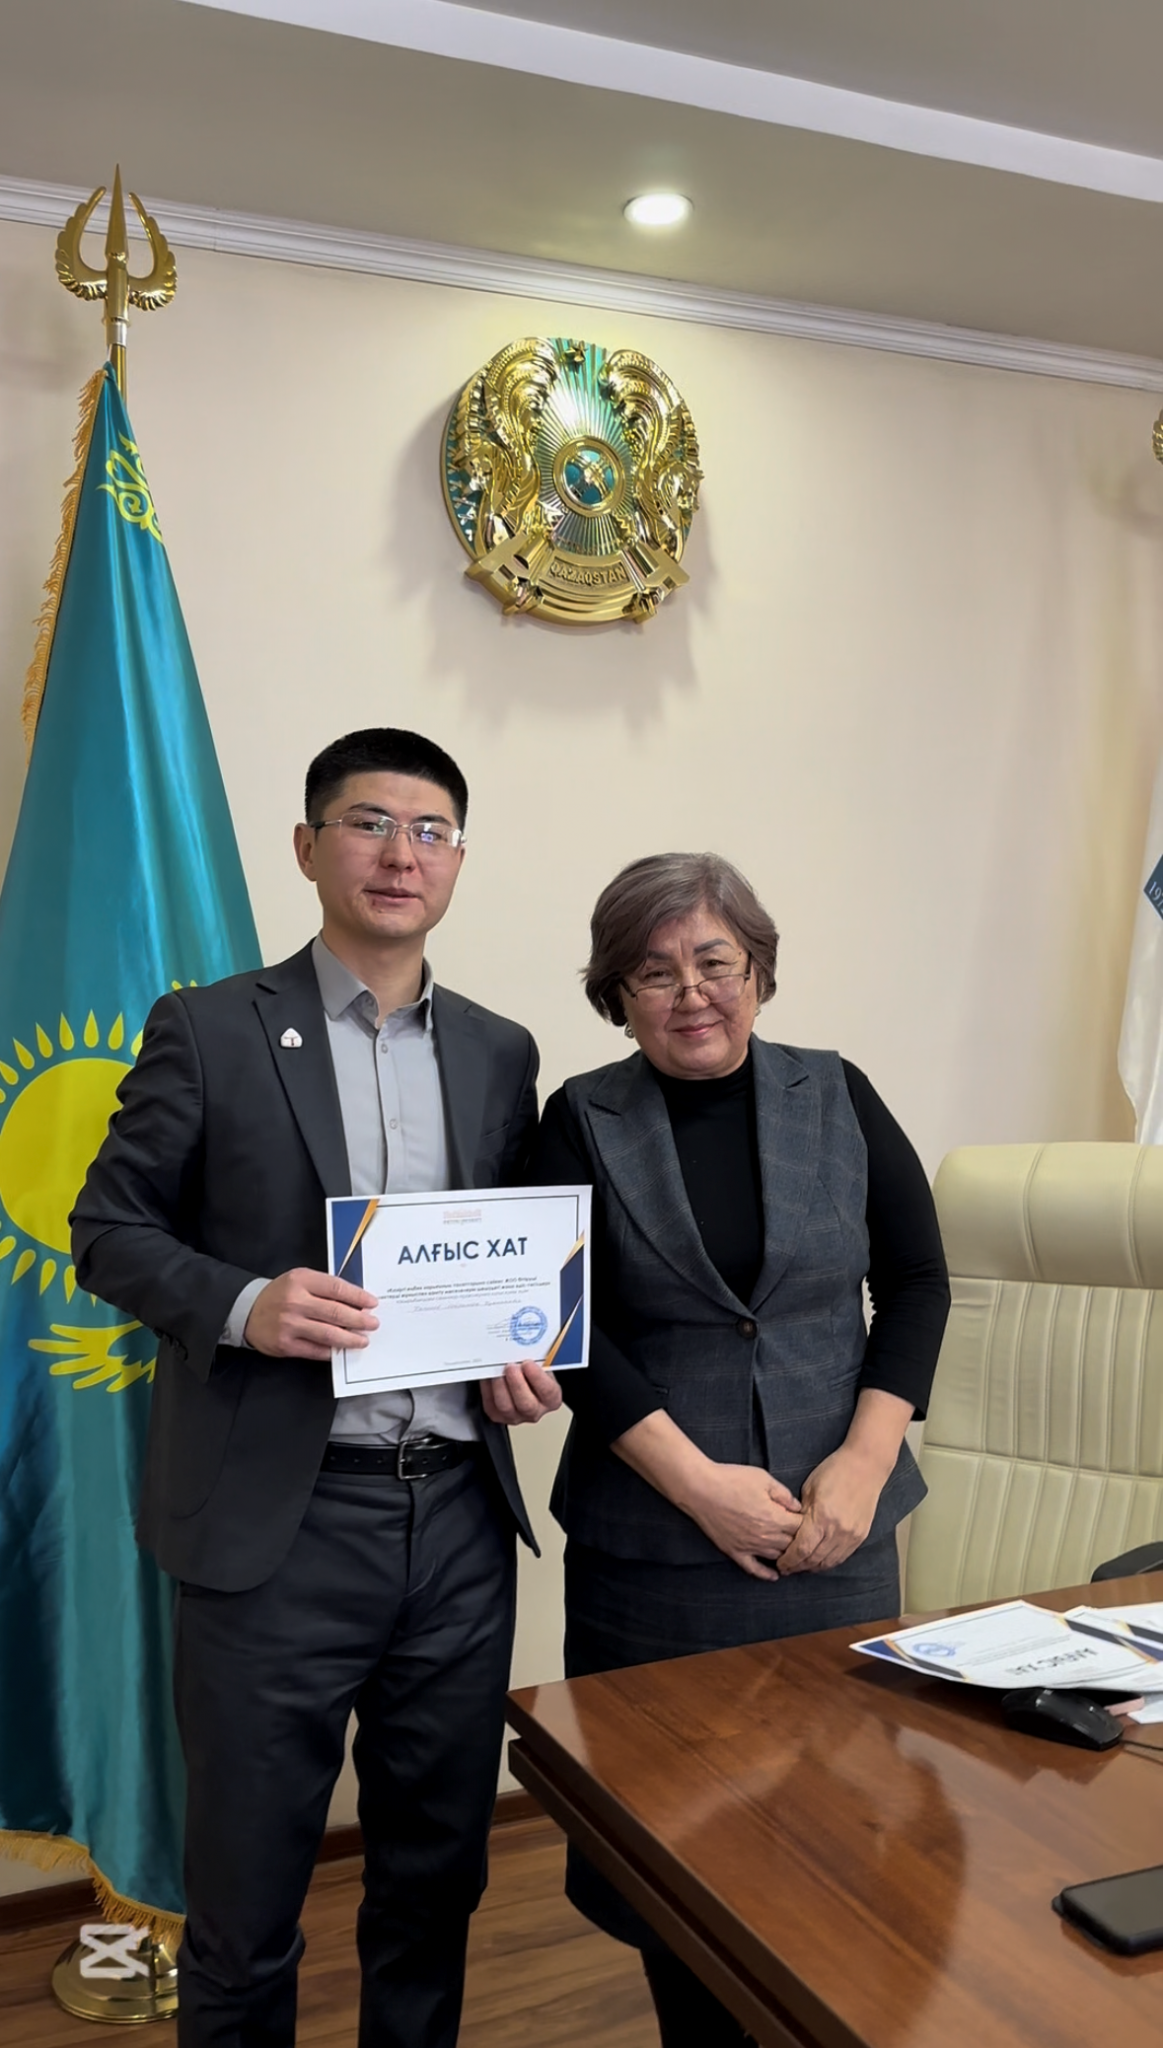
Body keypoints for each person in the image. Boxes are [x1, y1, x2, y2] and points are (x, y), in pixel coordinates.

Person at [71, 727, 561, 2048]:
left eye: (430, 830)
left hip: (456, 1522)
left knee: (433, 1884)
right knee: (245, 1906)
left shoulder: (499, 1049)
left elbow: (505, 1265)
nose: (401, 853)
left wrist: (521, 1366)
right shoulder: (209, 1028)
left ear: (457, 859)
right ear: (307, 846)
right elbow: (107, 1231)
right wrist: (248, 1304)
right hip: (275, 1529)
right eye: (368, 822)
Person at [493, 851, 950, 2048]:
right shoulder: (580, 1116)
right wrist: (697, 1485)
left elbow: (915, 1278)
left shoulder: (835, 1092)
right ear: (616, 992)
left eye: (715, 962)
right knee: (677, 1857)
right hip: (654, 1550)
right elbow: (562, 1323)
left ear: (758, 971)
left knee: (842, 1840)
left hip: (834, 1537)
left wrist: (862, 1462)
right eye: (654, 972)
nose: (690, 992)